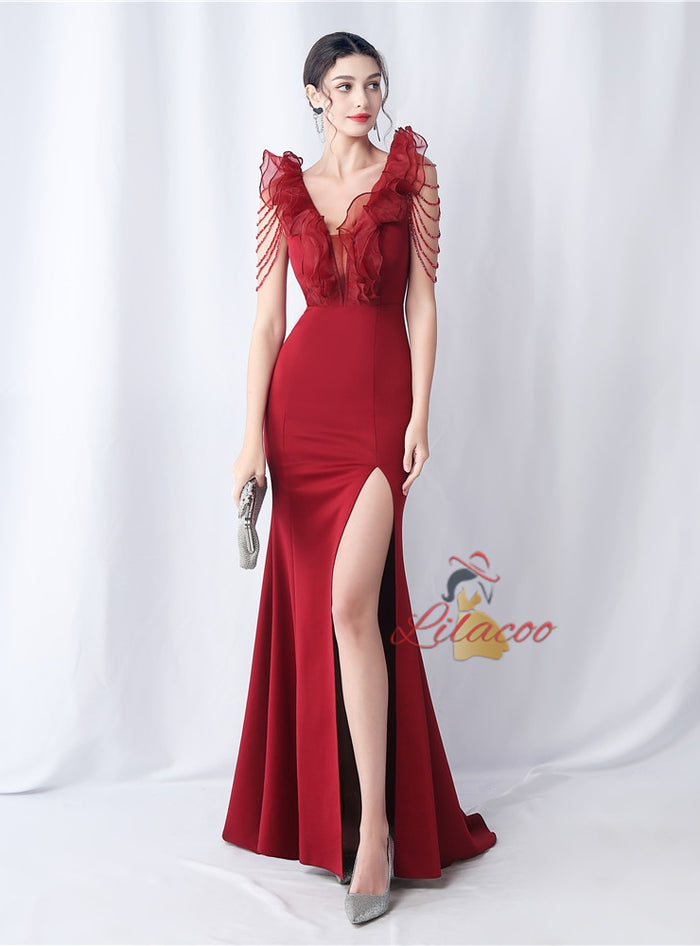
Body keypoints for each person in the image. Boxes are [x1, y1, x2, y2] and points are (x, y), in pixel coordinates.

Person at [222, 31, 497, 924]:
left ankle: (375, 829)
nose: (363, 100)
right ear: (313, 95)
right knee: (326, 617)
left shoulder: (413, 177)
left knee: (351, 606)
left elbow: (424, 305)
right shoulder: (283, 187)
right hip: (298, 417)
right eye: (344, 86)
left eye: (373, 84)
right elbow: (268, 324)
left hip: (379, 413)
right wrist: (250, 440)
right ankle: (334, 816)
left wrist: (421, 415)